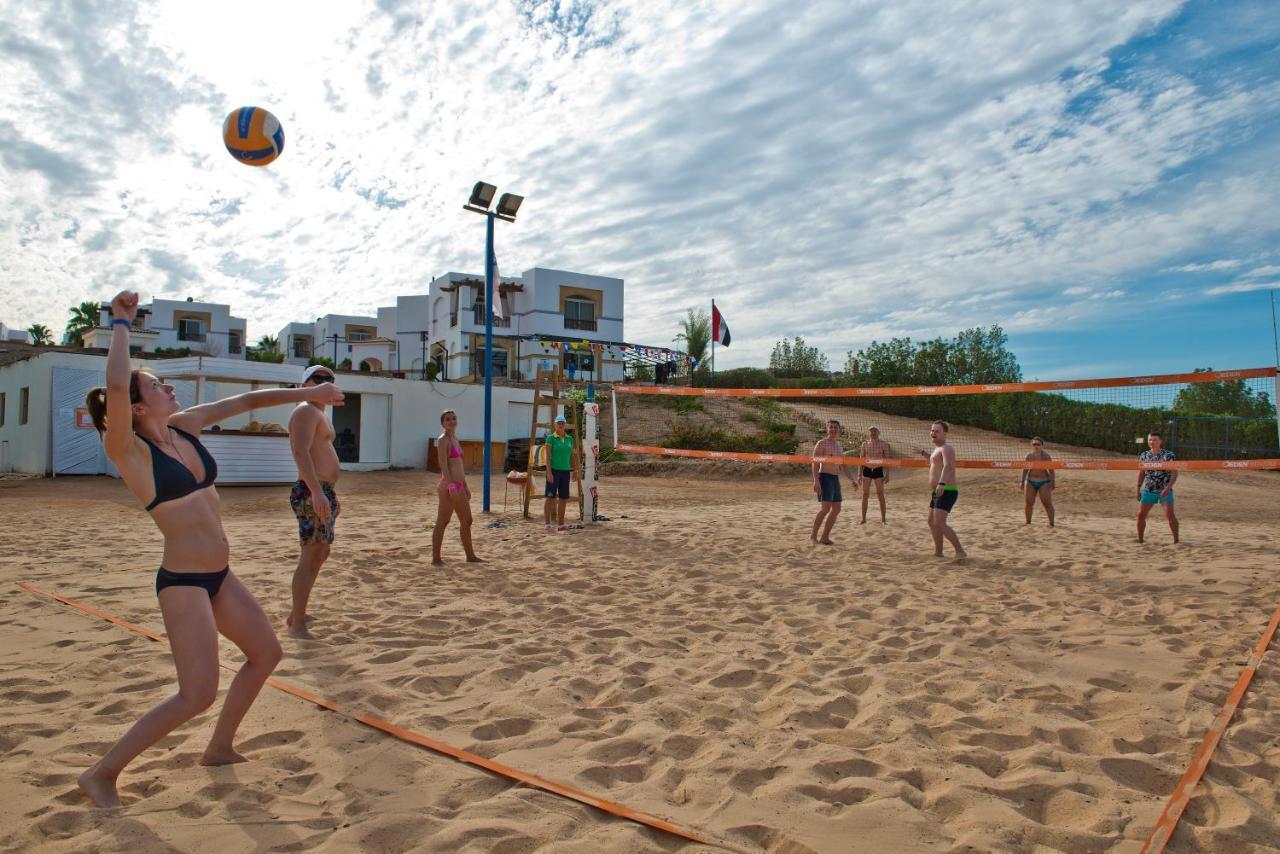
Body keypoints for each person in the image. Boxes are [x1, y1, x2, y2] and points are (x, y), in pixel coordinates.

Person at [77, 290, 344, 808]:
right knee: (195, 693)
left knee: (266, 654)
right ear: (134, 406)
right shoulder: (128, 450)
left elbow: (243, 403)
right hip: (183, 582)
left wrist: (307, 393)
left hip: (220, 575)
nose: (168, 386)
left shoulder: (184, 427)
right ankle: (101, 773)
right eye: (157, 385)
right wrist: (119, 324)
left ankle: (219, 747)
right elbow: (114, 381)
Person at [286, 365, 342, 639]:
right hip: (312, 490)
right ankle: (297, 624)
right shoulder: (305, 410)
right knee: (311, 555)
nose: (324, 383)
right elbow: (300, 451)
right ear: (304, 385)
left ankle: (298, 612)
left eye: (329, 379)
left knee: (321, 552)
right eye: (317, 378)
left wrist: (330, 494)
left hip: (322, 490)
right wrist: (317, 492)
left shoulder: (319, 414)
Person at [432, 409, 481, 565]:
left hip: (459, 486)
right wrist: (451, 485)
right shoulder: (443, 439)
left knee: (467, 520)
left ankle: (470, 556)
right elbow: (443, 464)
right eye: (448, 419)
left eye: (453, 418)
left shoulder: (455, 438)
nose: (452, 421)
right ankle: (436, 558)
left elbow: (459, 466)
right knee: (443, 522)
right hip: (448, 486)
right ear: (442, 423)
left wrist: (465, 485)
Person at [916, 420, 966, 561]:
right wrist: (924, 453)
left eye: (937, 431)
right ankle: (938, 553)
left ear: (944, 433)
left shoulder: (947, 448)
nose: (933, 433)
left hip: (947, 490)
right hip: (938, 491)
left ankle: (960, 551)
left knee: (939, 523)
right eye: (932, 430)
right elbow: (935, 463)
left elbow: (948, 466)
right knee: (931, 522)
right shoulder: (937, 449)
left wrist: (942, 483)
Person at [811, 420, 855, 545]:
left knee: (837, 508)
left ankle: (825, 537)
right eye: (831, 427)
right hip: (824, 477)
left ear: (839, 430)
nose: (833, 429)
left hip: (835, 478)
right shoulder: (822, 443)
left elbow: (844, 465)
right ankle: (813, 536)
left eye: (836, 427)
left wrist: (852, 480)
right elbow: (814, 463)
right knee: (825, 509)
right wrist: (816, 481)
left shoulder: (839, 446)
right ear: (827, 429)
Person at [1137, 430, 1178, 543]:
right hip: (1148, 489)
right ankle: (1140, 540)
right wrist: (1138, 489)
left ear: (1160, 441)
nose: (1152, 442)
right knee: (1140, 515)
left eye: (1155, 440)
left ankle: (1176, 541)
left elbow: (1174, 473)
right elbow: (1141, 473)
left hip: (1164, 489)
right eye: (1150, 439)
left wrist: (1168, 487)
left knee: (1170, 516)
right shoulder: (1144, 455)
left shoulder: (1168, 455)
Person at [543, 413, 578, 532]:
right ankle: (548, 524)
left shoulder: (570, 439)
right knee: (550, 497)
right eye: (559, 423)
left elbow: (572, 455)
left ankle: (561, 525)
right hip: (553, 471)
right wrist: (548, 472)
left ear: (565, 425)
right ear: (555, 425)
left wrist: (575, 470)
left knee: (563, 498)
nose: (561, 425)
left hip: (565, 472)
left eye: (563, 423)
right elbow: (547, 457)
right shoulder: (550, 438)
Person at [856, 426, 893, 524]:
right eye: (871, 432)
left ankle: (883, 519)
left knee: (880, 494)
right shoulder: (865, 444)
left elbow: (888, 461)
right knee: (865, 494)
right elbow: (861, 460)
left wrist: (888, 474)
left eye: (875, 432)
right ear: (869, 433)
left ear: (878, 433)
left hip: (878, 470)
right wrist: (859, 474)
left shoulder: (884, 444)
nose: (873, 433)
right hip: (867, 469)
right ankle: (863, 519)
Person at [1019, 436, 1056, 526]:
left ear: (1042, 445)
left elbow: (1051, 470)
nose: (1036, 446)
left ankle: (1051, 524)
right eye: (1034, 444)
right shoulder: (1029, 456)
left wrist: (1053, 481)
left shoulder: (1046, 456)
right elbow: (1025, 470)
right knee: (1029, 503)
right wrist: (1022, 481)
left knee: (1047, 503)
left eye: (1038, 444)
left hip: (1044, 481)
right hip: (1030, 481)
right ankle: (1028, 523)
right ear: (1032, 445)